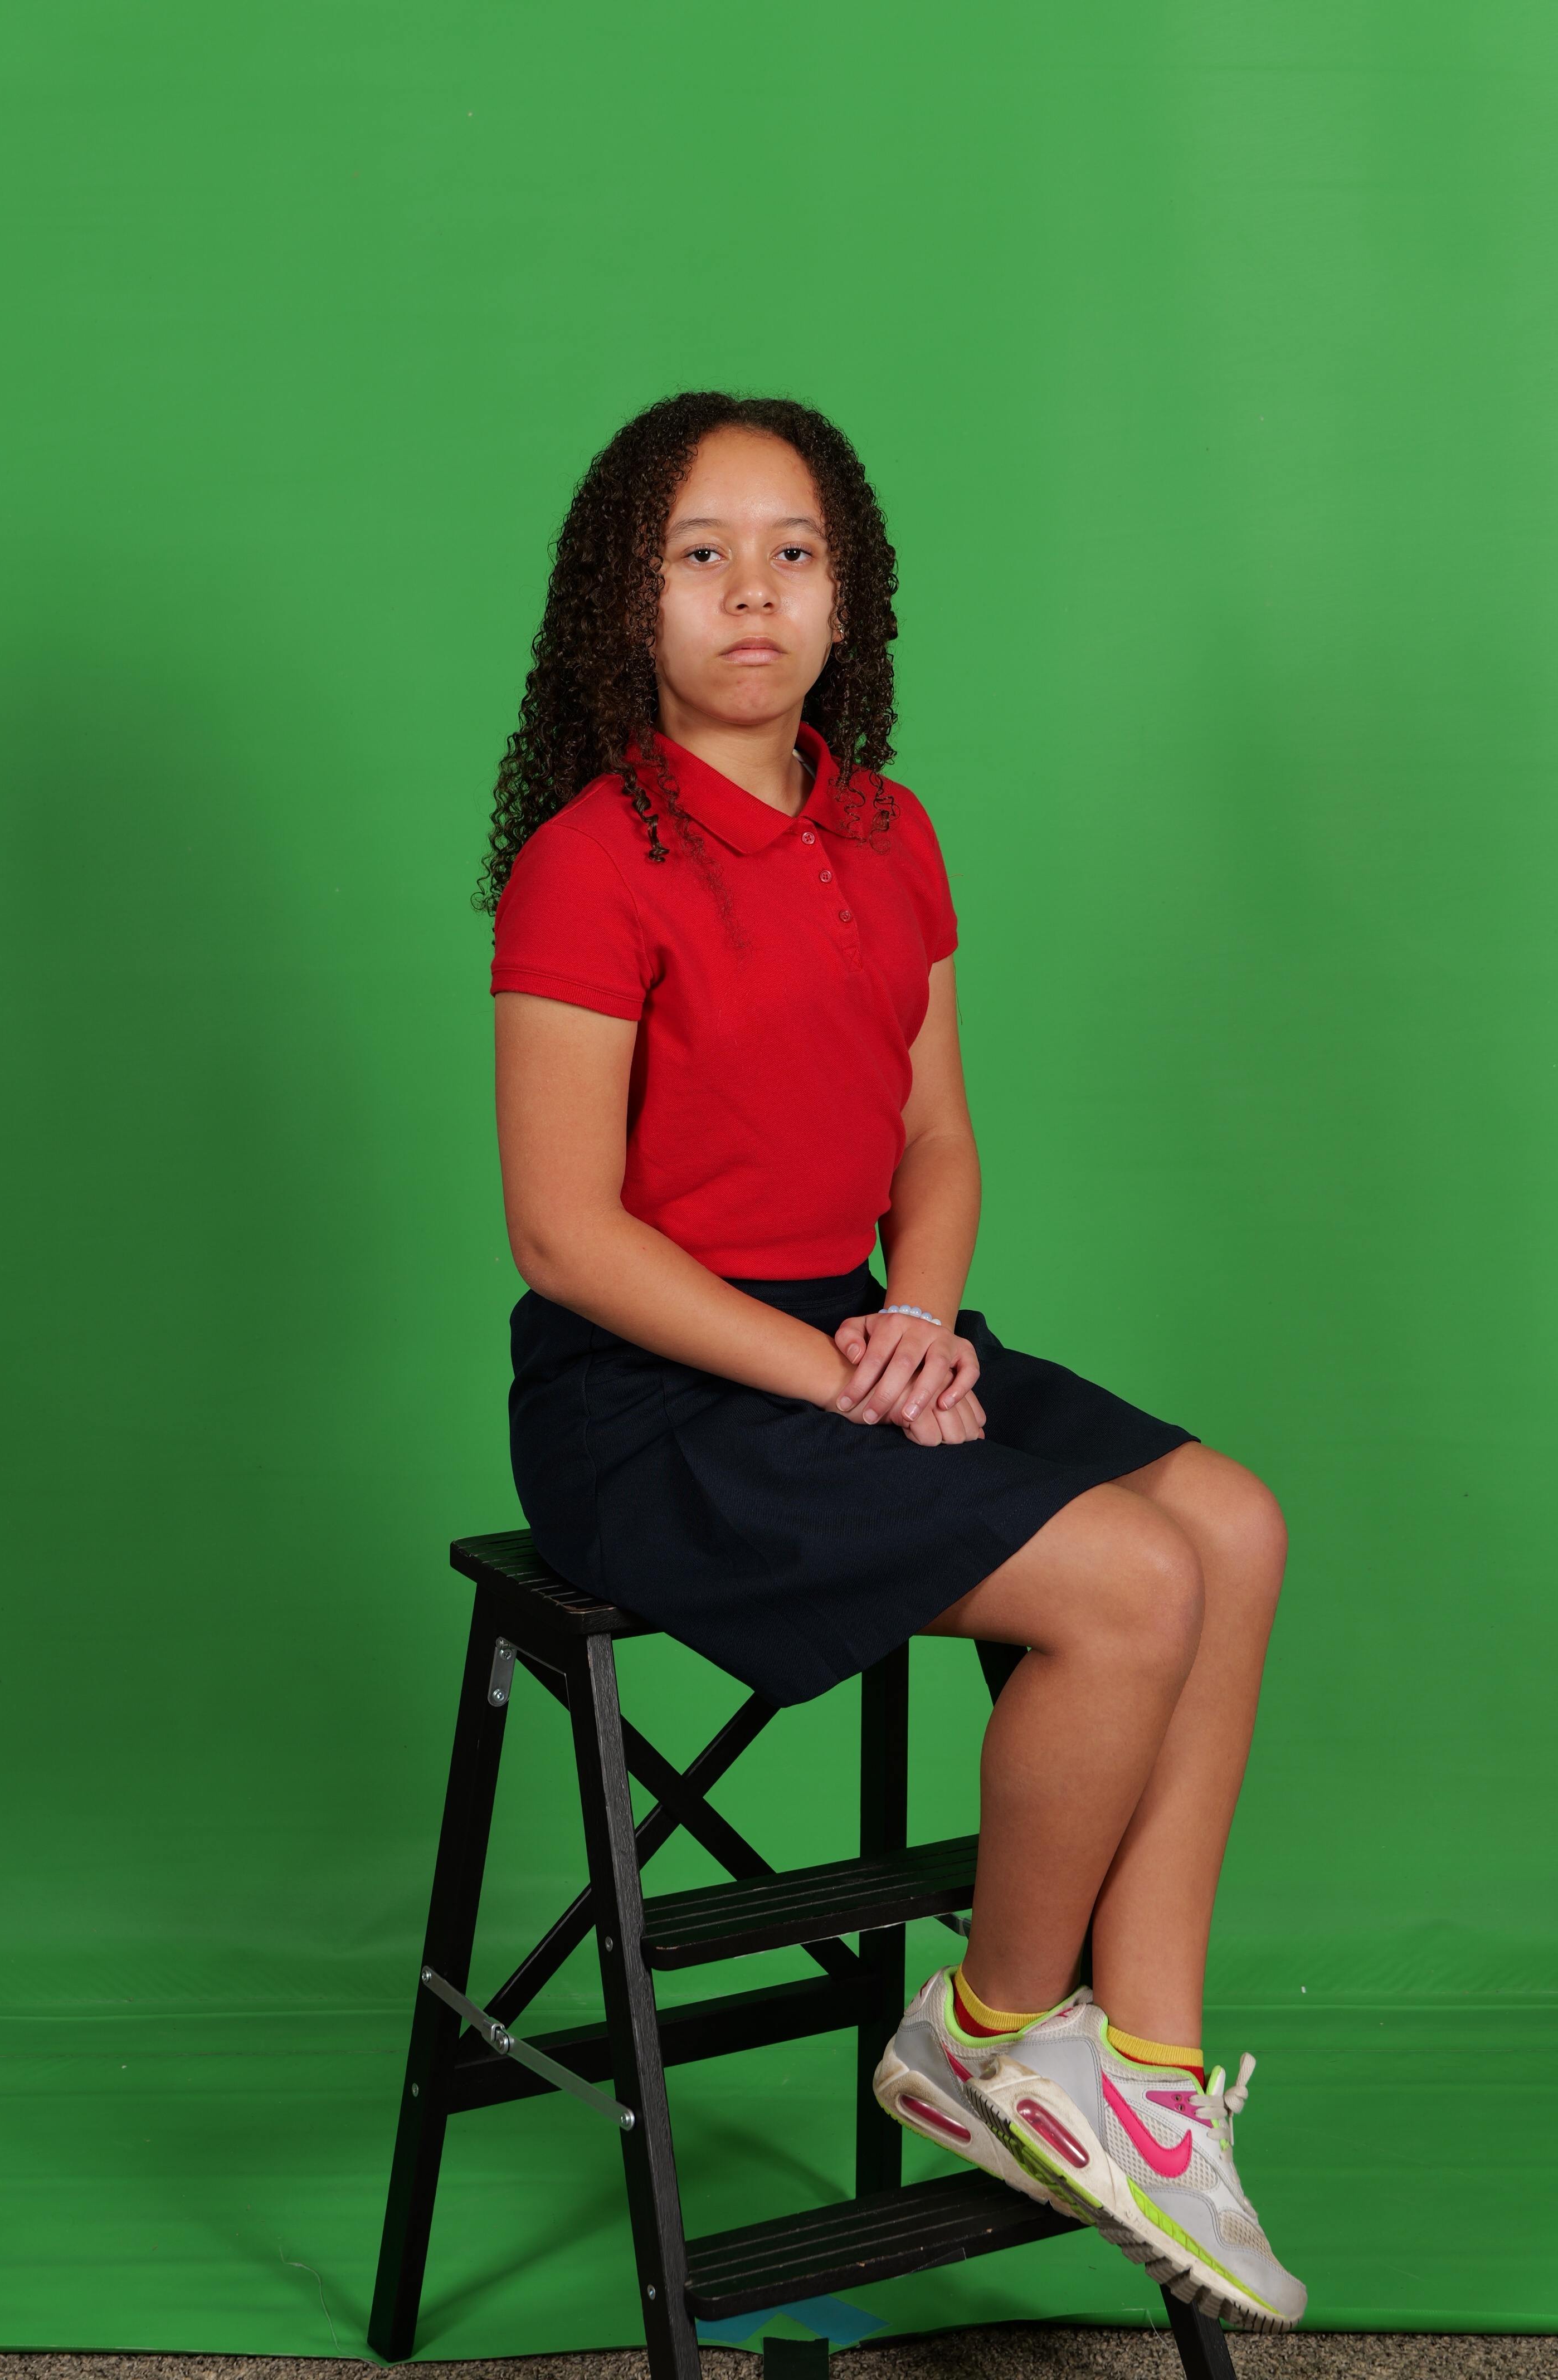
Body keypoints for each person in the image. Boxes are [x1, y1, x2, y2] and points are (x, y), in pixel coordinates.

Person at [481, 392, 1304, 2333]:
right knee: (1130, 1582)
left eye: (796, 554)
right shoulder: (589, 863)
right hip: (650, 1396)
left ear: (850, 598)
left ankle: (1147, 2077)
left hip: (865, 1328)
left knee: (1233, 1525)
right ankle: (989, 2037)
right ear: (625, 600)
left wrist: (916, 1329)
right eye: (700, 556)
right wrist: (837, 1373)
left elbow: (936, 1139)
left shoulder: (887, 829)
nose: (752, 593)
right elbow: (565, 1234)